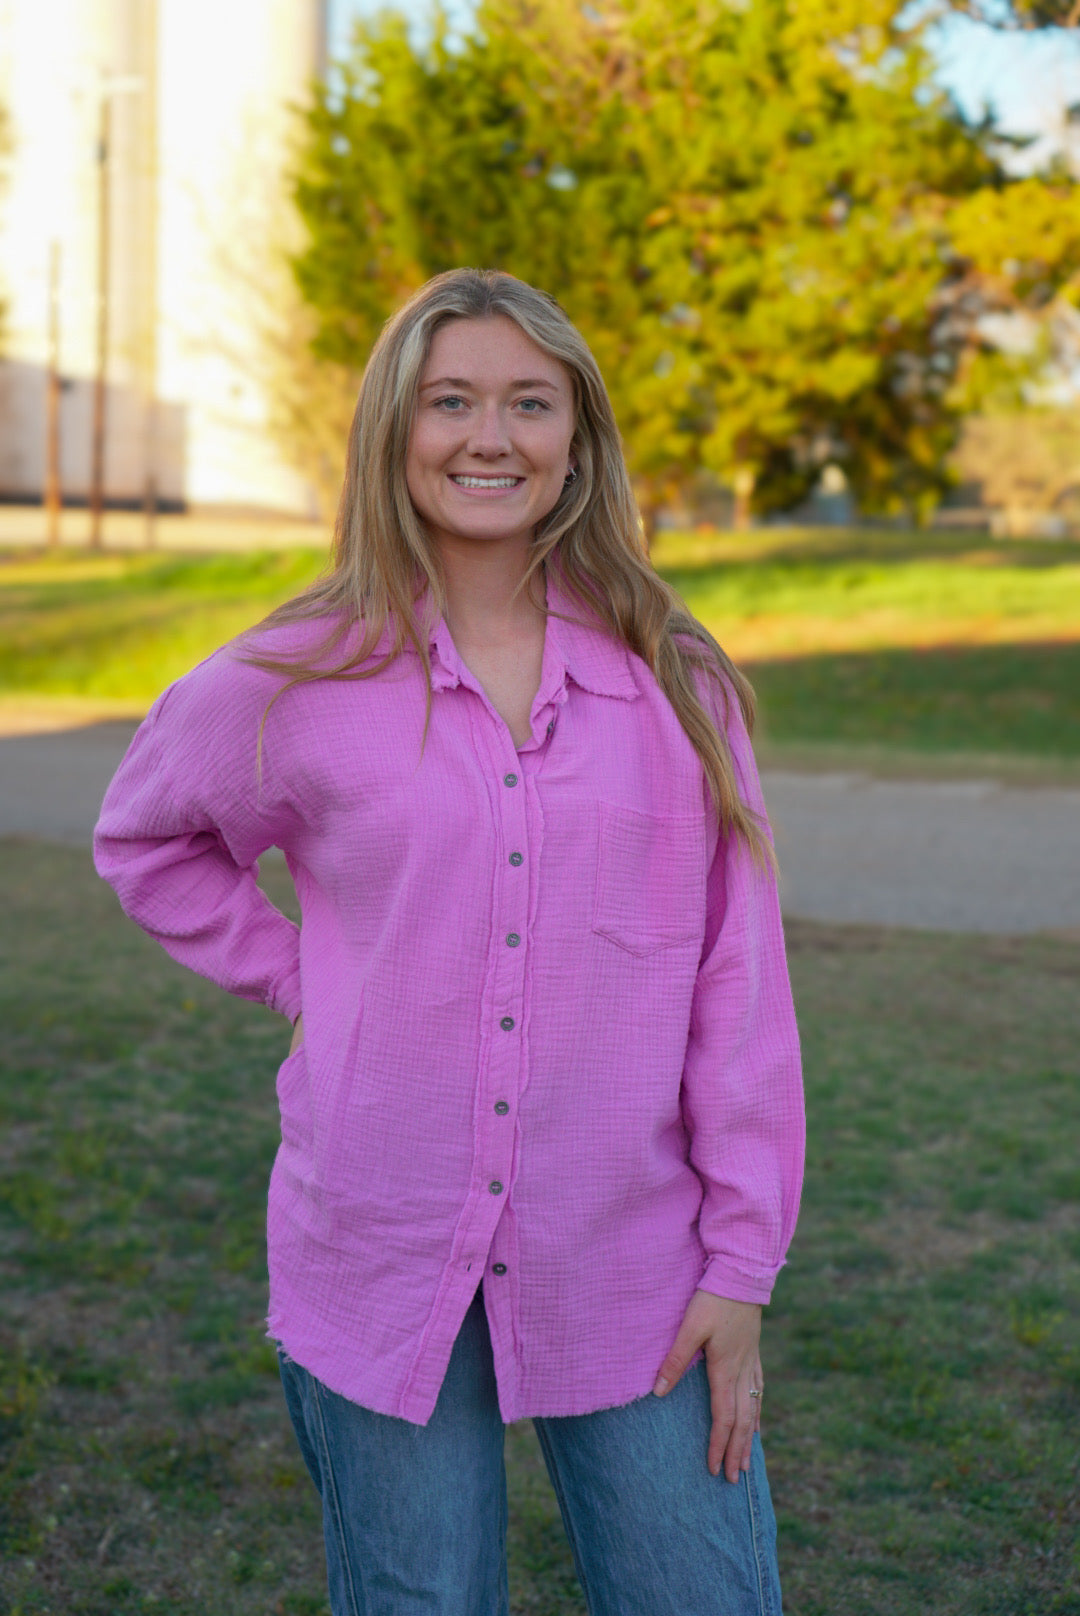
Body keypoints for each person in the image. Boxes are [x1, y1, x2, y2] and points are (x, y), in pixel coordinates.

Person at [94, 268, 804, 1616]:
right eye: (452, 402)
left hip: (635, 1264)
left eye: (531, 402)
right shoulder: (299, 674)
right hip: (375, 1247)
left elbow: (738, 985)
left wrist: (741, 1266)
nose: (492, 436)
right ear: (393, 434)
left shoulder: (680, 684)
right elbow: (145, 838)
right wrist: (304, 973)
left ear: (579, 439)